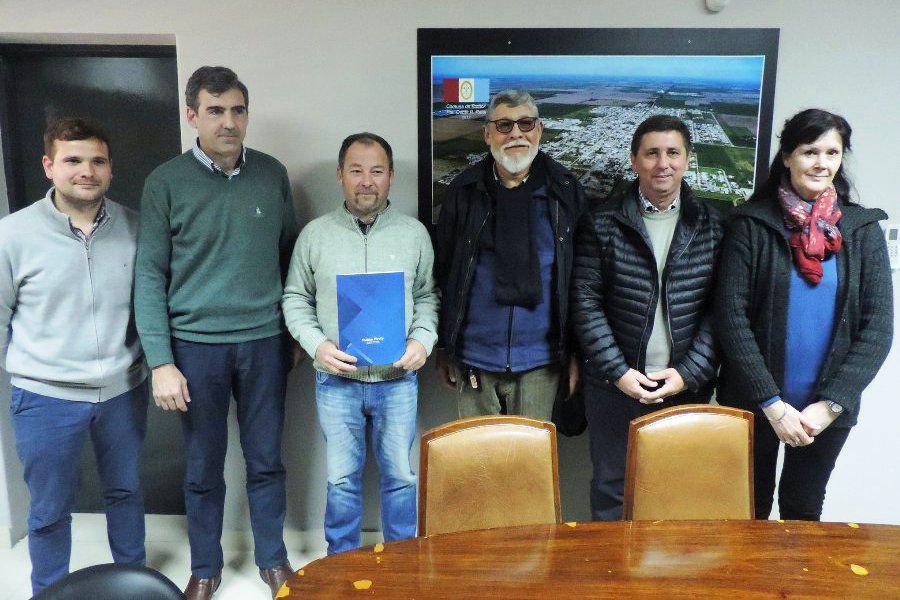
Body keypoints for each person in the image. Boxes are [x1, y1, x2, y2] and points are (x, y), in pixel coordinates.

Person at [134, 66, 298, 599]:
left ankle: (273, 559)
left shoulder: (271, 174)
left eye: (237, 110)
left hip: (263, 342)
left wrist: (291, 334)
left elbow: (288, 259)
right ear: (192, 116)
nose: (228, 122)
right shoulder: (166, 182)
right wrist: (160, 360)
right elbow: (150, 275)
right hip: (194, 348)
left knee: (267, 458)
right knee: (203, 465)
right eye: (215, 111)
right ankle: (206, 567)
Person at [715, 109, 893, 521]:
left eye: (833, 152)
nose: (821, 163)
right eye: (810, 151)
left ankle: (796, 589)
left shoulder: (863, 231)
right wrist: (772, 404)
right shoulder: (750, 225)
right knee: (748, 511)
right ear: (788, 157)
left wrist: (829, 406)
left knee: (802, 508)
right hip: (754, 403)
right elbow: (731, 317)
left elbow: (878, 329)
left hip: (825, 411)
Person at [0, 118, 148, 595]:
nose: (87, 171)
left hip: (122, 392)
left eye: (98, 161)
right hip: (45, 398)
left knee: (126, 494)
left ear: (110, 169)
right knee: (48, 511)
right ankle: (49, 591)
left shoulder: (135, 227)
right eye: (73, 160)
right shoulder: (12, 235)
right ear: (49, 166)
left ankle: (133, 582)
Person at [282, 132, 438, 554]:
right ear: (340, 176)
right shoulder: (315, 235)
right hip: (337, 382)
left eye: (376, 171)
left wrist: (423, 341)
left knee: (401, 479)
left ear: (390, 177)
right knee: (341, 481)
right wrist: (316, 346)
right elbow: (295, 297)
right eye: (356, 171)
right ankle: (341, 566)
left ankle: (403, 568)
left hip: (397, 380)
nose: (366, 181)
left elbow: (427, 297)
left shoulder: (414, 234)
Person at [571, 114, 722, 521]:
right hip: (614, 386)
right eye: (652, 153)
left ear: (687, 160)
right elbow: (585, 303)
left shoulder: (711, 225)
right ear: (634, 161)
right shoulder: (601, 222)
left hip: (684, 386)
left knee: (675, 488)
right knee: (611, 488)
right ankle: (611, 579)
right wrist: (619, 372)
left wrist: (688, 373)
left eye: (673, 153)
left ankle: (665, 583)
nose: (663, 163)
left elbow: (718, 311)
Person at [434, 89, 584, 421]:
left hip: (541, 362)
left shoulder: (566, 191)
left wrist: (575, 352)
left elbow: (578, 281)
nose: (516, 133)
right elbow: (445, 272)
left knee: (530, 467)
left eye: (525, 123)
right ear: (487, 134)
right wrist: (446, 347)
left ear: (539, 130)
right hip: (475, 359)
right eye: (503, 125)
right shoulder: (464, 192)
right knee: (480, 465)